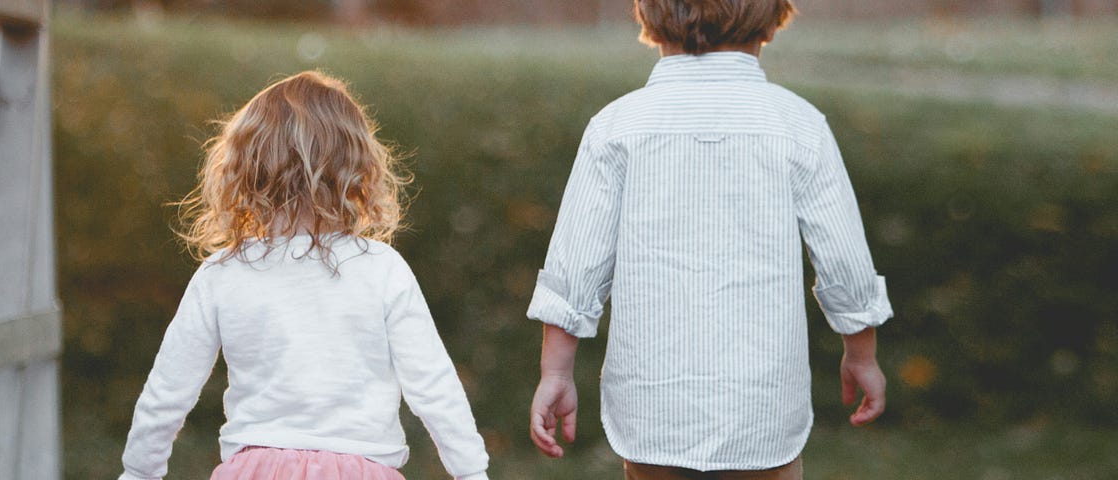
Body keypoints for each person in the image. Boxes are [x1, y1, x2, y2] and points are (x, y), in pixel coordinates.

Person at [525, 1, 893, 478]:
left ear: (652, 19)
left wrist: (555, 373)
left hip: (653, 414)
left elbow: (574, 268)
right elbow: (844, 260)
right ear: (771, 20)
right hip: (762, 416)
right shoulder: (798, 126)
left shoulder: (618, 128)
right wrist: (861, 354)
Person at [119, 71, 490, 480]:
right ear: (357, 167)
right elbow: (434, 387)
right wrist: (472, 473)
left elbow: (168, 391)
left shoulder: (222, 274)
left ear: (246, 166)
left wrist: (138, 473)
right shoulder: (382, 270)